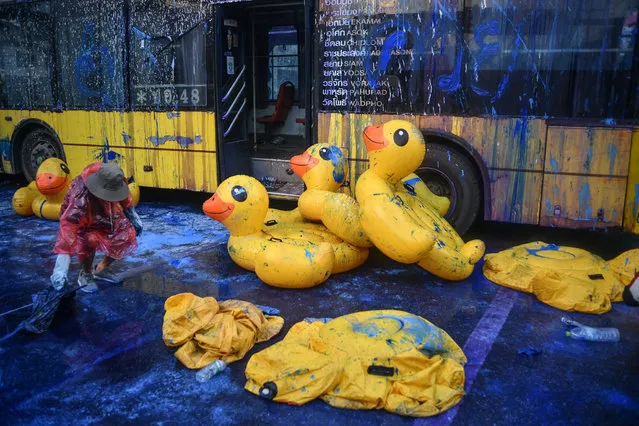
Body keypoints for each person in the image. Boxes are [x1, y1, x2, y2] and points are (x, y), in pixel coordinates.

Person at [50, 162, 143, 293]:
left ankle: (100, 269)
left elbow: (124, 195)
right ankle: (86, 273)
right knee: (90, 239)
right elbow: (67, 230)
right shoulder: (80, 198)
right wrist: (60, 269)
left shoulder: (113, 176)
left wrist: (132, 215)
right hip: (85, 218)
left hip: (107, 212)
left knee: (127, 234)